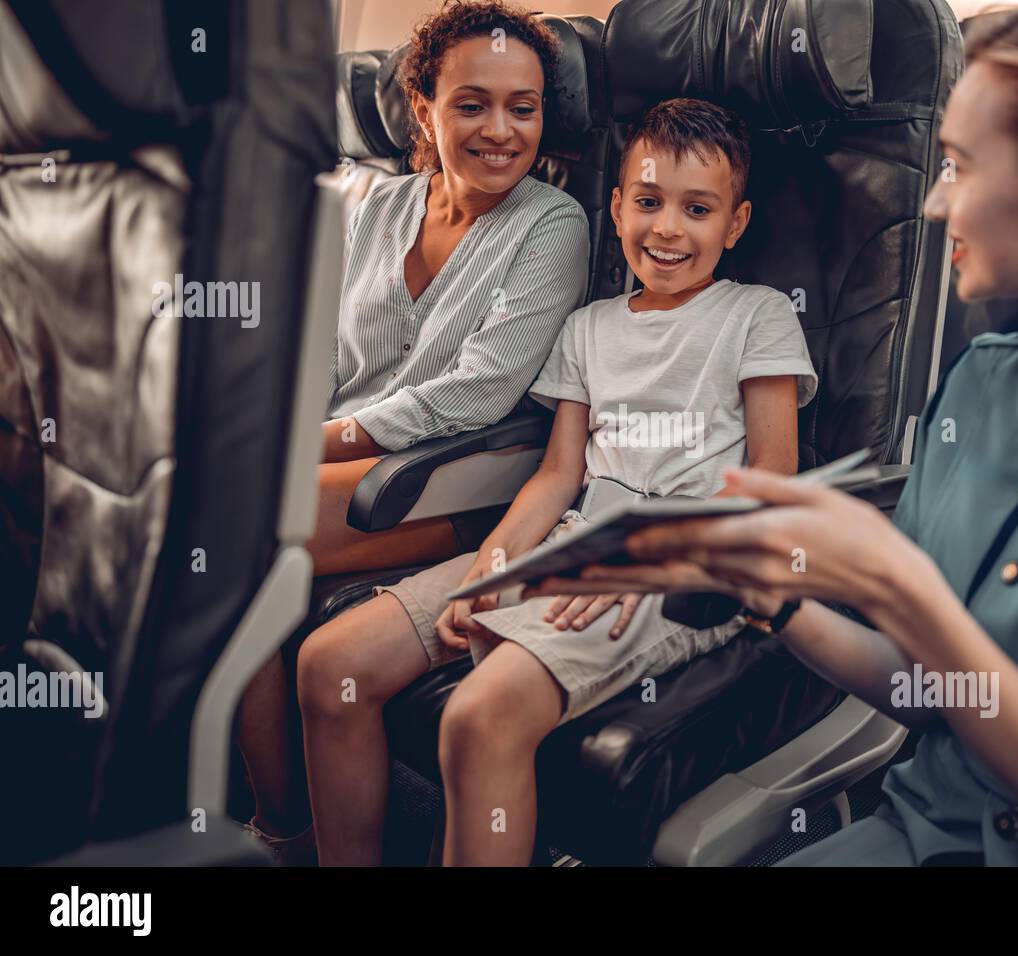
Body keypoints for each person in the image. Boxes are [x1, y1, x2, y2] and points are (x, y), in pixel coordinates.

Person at [530, 0, 1018, 866]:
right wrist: (769, 597)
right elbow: (927, 696)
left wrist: (899, 588)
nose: (932, 201)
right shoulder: (984, 385)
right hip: (917, 835)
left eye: (958, 166)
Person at [294, 98, 818, 866]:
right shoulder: (588, 328)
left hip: (689, 563)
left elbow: (773, 483)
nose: (668, 229)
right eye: (648, 202)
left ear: (733, 225)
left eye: (697, 209)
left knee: (478, 715)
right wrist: (491, 568)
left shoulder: (758, 315)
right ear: (617, 207)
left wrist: (650, 557)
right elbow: (556, 476)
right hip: (574, 538)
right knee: (330, 664)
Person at [237, 0, 588, 860]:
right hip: (345, 470)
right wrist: (282, 430)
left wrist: (306, 446)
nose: (501, 129)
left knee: (235, 542)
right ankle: (283, 822)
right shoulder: (384, 206)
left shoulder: (554, 225)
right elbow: (321, 351)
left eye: (524, 106)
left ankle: (284, 831)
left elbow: (474, 394)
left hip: (449, 483)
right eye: (472, 103)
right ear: (423, 107)